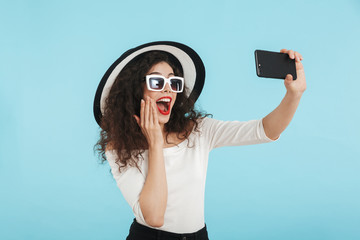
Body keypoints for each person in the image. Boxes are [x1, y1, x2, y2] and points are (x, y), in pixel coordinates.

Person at [93, 41, 306, 240]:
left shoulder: (198, 131)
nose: (167, 89)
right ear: (134, 90)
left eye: (173, 82)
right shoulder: (118, 148)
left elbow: (264, 130)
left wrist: (294, 95)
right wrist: (155, 142)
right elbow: (154, 217)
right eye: (157, 81)